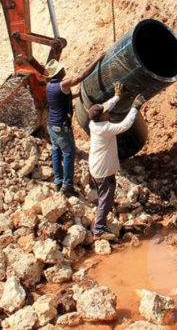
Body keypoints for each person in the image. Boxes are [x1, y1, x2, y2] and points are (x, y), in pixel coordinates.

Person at [87, 83, 145, 240]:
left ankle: (104, 217)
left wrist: (117, 96)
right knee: (106, 198)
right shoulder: (104, 128)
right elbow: (125, 125)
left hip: (97, 168)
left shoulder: (94, 122)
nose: (108, 112)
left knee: (104, 195)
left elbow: (105, 107)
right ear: (102, 117)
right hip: (103, 171)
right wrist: (135, 108)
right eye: (106, 113)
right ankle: (99, 229)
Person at [45, 56, 102, 196]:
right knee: (69, 154)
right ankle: (67, 186)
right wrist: (97, 59)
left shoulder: (50, 87)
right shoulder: (63, 84)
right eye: (61, 69)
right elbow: (81, 76)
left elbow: (64, 97)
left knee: (56, 152)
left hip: (52, 126)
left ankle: (58, 183)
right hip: (61, 127)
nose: (64, 69)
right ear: (58, 73)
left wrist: (80, 95)